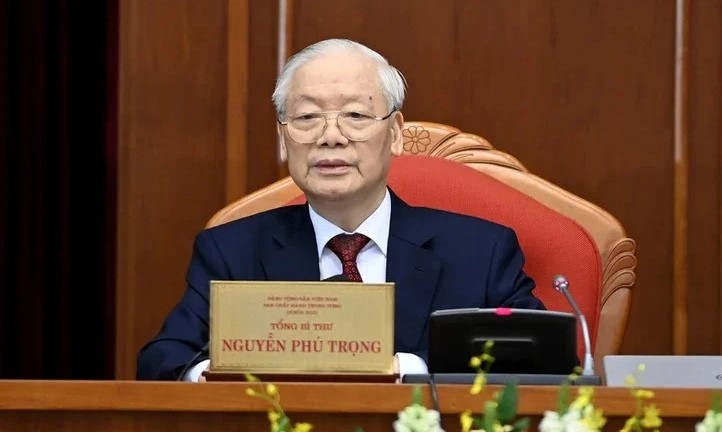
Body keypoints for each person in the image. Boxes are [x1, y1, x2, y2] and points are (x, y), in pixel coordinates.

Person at [136, 38, 545, 381]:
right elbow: (163, 362)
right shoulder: (231, 251)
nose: (331, 137)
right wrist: (225, 374)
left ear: (396, 133)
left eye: (355, 115)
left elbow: (545, 367)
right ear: (283, 139)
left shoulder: (480, 252)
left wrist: (410, 371)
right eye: (308, 117)